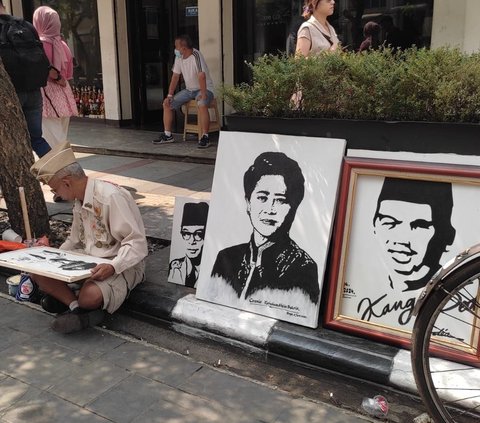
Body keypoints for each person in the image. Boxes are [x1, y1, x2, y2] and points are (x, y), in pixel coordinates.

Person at [29, 141, 148, 334]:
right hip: (89, 260)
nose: (56, 194)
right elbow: (74, 240)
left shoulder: (110, 197)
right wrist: (49, 257)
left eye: (54, 189)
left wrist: (113, 266)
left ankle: (77, 303)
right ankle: (76, 309)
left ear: (67, 182)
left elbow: (137, 243)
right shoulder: (79, 198)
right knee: (37, 272)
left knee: (90, 295)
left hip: (120, 262)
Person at [211, 152, 319, 306]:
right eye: (262, 198)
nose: (270, 209)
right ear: (248, 202)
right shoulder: (226, 257)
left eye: (281, 200)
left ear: (293, 208)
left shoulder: (303, 266)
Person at [373, 177, 456, 292]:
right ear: (375, 227)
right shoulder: (366, 276)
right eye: (390, 222)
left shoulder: (452, 286)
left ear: (445, 234)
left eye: (420, 225)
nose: (402, 238)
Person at [0, 0, 51, 158]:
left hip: (11, 95)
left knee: (11, 141)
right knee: (36, 139)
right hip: (34, 90)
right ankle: (69, 175)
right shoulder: (26, 25)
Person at [153, 34, 214, 149]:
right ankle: (168, 135)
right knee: (167, 104)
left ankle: (205, 137)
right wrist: (170, 95)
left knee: (201, 104)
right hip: (189, 90)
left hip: (204, 88)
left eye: (176, 47)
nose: (175, 49)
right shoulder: (179, 57)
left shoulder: (196, 55)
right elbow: (175, 76)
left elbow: (202, 76)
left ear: (183, 48)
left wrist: (204, 95)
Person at [33, 6, 78, 149]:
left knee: (51, 139)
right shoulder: (64, 45)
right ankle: (63, 166)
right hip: (64, 94)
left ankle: (61, 167)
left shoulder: (38, 45)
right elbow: (69, 74)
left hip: (46, 95)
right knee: (61, 136)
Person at [168, 201, 209, 288]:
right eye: (186, 234)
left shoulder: (213, 269)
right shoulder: (175, 266)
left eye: (198, 234)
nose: (192, 241)